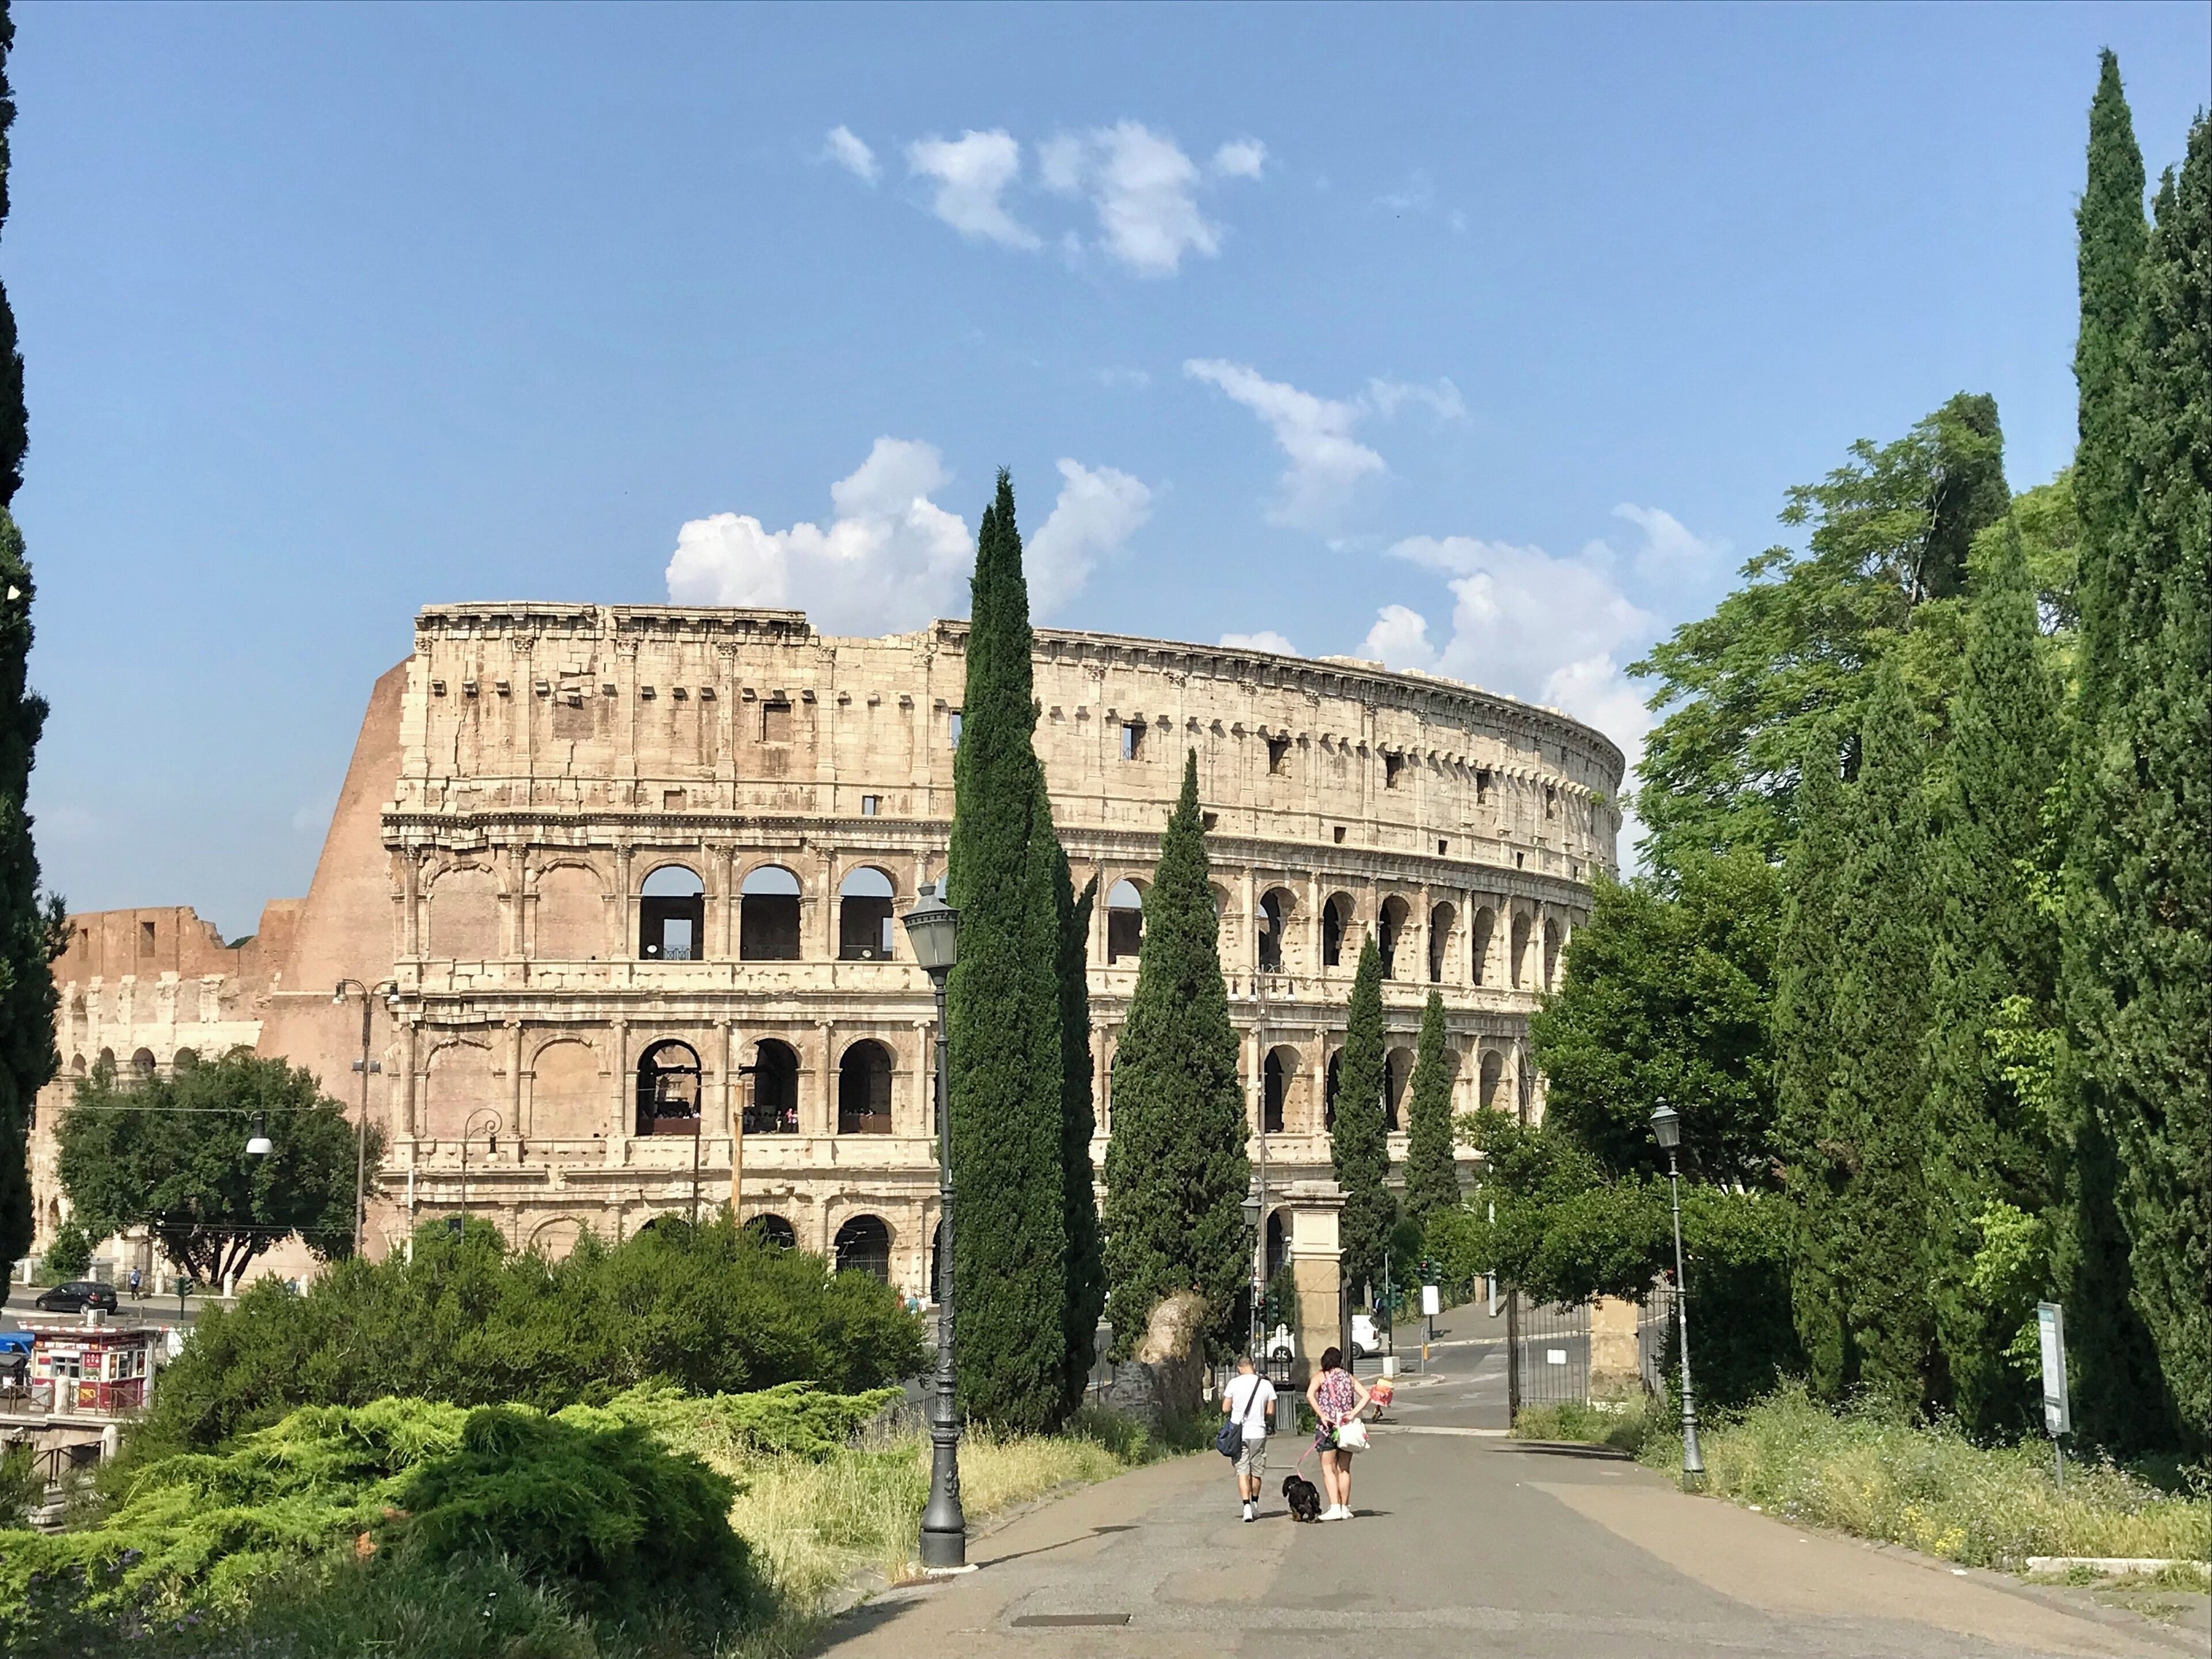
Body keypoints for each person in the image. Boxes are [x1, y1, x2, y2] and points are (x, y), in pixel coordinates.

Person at [1305, 1345, 1372, 1521]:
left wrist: (1323, 1415)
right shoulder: (1348, 1377)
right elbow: (1366, 1396)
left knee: (1328, 1468)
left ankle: (1334, 1506)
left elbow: (1310, 1395)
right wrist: (1352, 1413)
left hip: (1327, 1428)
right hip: (1346, 1428)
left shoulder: (1321, 1376)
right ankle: (1345, 1508)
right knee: (1344, 1469)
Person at [1221, 1353, 1277, 1522]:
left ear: (1239, 1368)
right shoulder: (1266, 1384)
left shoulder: (1234, 1383)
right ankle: (1255, 1504)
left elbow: (1225, 1408)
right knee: (1257, 1472)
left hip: (1240, 1434)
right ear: (1253, 1365)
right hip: (1258, 1433)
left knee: (1242, 1470)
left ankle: (1246, 1507)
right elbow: (1270, 1411)